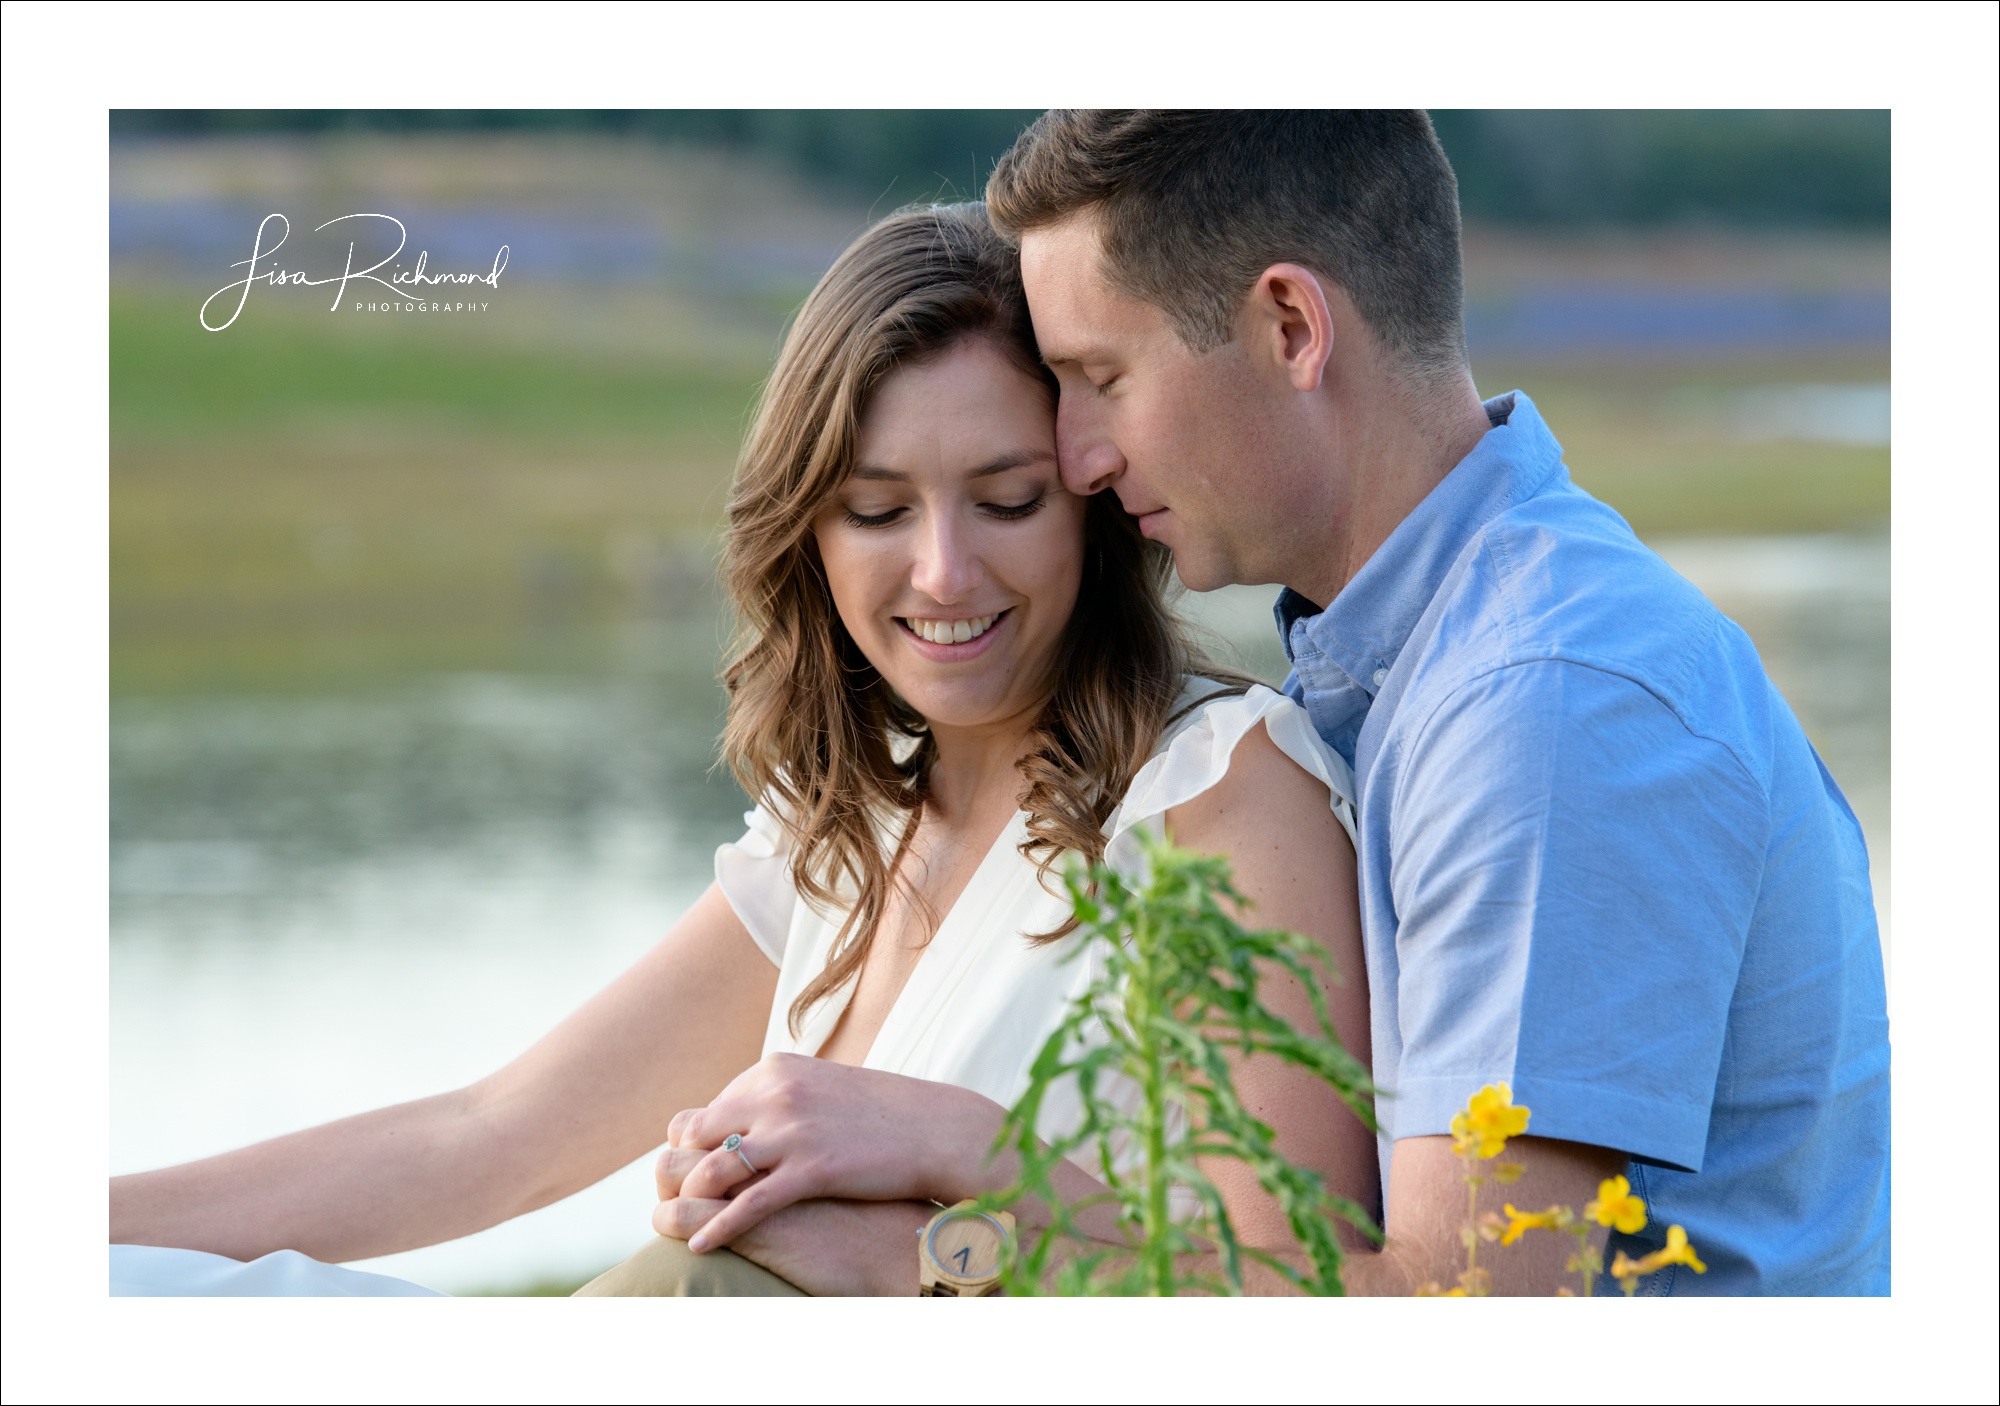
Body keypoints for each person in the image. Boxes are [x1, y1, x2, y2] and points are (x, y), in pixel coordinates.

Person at [110, 203, 1377, 1297]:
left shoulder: (1220, 795)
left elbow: (1290, 1302)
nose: (943, 570)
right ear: (808, 535)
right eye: (876, 508)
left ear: (1094, 506)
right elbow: (489, 1136)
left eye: (1006, 500)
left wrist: (957, 1159)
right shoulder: (846, 831)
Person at [965, 109, 1891, 1296]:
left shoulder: (1542, 707)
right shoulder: (1423, 658)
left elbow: (1465, 1315)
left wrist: (966, 1227)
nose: (1077, 455)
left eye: (1100, 375)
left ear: (1291, 327)